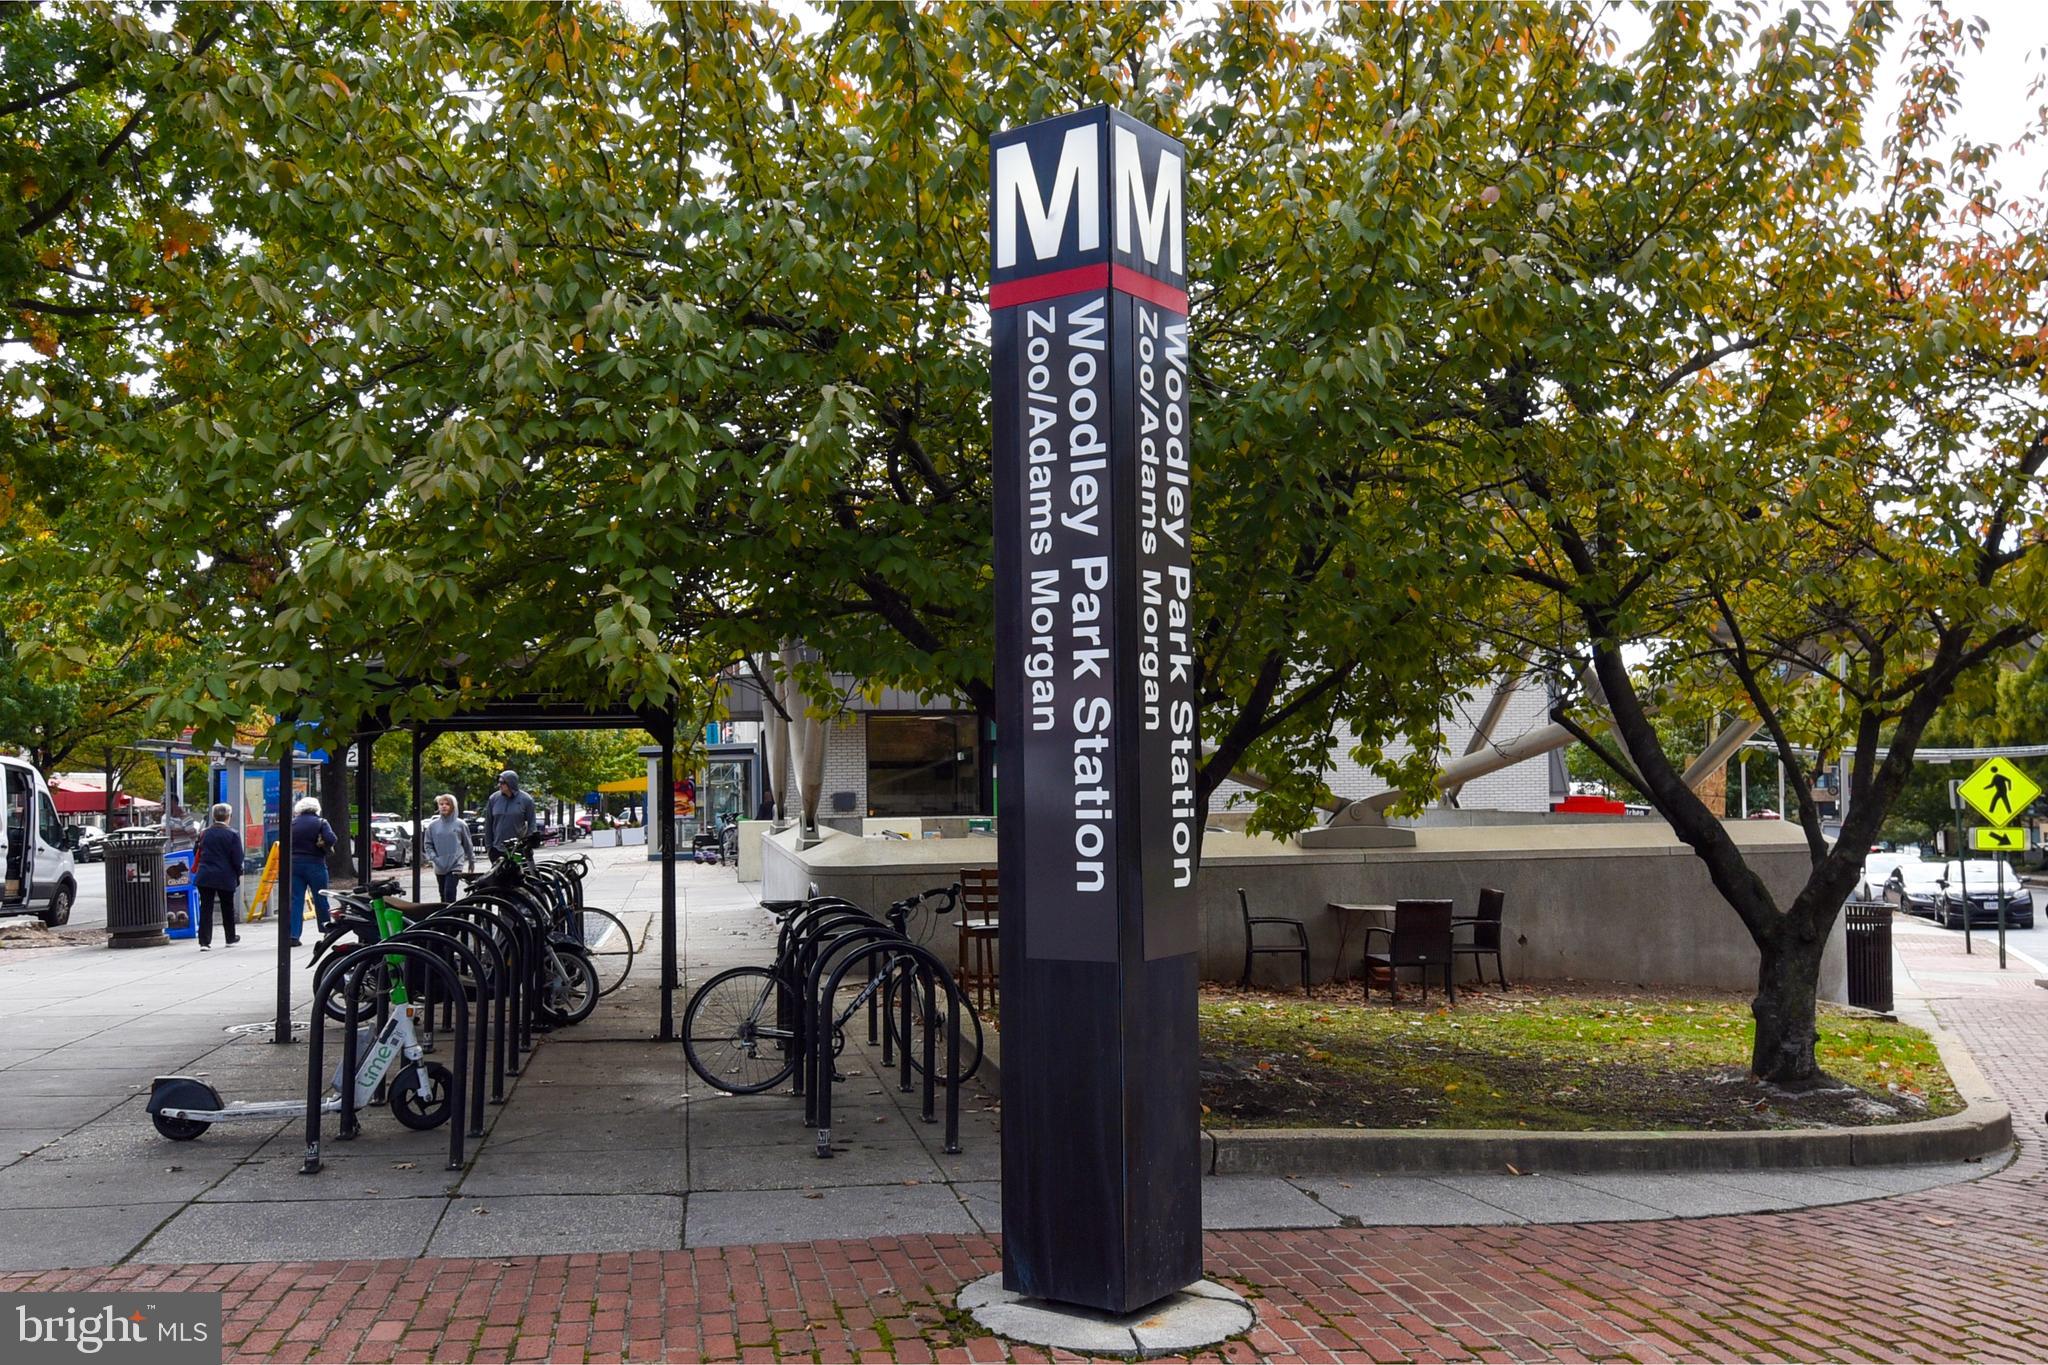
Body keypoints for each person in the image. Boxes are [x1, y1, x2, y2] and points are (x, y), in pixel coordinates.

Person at [191, 803, 243, 950]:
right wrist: (238, 873)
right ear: (229, 816)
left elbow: (196, 851)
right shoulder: (233, 834)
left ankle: (204, 942)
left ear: (213, 816)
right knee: (228, 906)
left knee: (206, 908)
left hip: (205, 875)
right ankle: (230, 938)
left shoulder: (204, 833)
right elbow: (237, 858)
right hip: (225, 876)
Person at [287, 795, 338, 947]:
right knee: (320, 898)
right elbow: (331, 839)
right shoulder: (321, 822)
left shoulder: (292, 823)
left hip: (294, 864)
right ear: (316, 809)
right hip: (315, 864)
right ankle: (326, 930)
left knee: (296, 900)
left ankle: (293, 935)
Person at [423, 793, 475, 902]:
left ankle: (452, 916)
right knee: (442, 894)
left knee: (449, 892)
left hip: (455, 864)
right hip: (439, 865)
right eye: (441, 804)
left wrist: (471, 861)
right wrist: (434, 858)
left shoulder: (461, 824)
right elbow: (428, 844)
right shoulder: (432, 826)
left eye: (447, 804)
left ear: (453, 806)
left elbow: (468, 844)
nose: (444, 806)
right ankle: (446, 916)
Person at [484, 769, 537, 858]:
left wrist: (527, 845)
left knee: (518, 871)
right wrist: (489, 848)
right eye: (499, 782)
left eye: (502, 782)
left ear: (510, 783)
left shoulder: (526, 800)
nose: (499, 785)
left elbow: (532, 824)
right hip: (497, 849)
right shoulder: (493, 799)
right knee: (499, 872)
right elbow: (488, 824)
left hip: (518, 849)